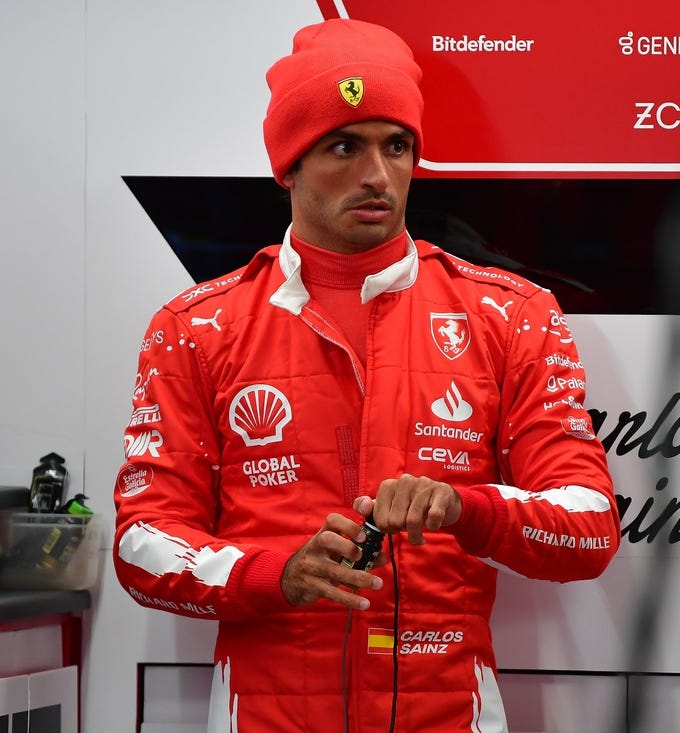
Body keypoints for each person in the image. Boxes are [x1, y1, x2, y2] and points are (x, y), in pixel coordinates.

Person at [112, 18, 619, 733]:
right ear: (288, 164)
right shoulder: (197, 325)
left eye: (396, 146)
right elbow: (141, 542)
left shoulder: (512, 313)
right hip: (266, 715)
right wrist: (273, 574)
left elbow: (591, 529)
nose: (377, 175)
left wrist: (465, 508)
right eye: (343, 146)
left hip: (447, 713)